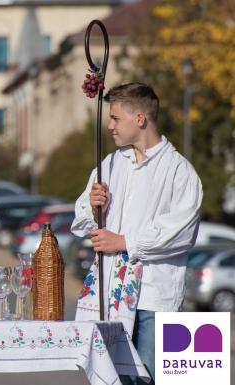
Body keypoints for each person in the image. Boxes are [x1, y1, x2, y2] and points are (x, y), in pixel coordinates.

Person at [71, 83, 202, 384]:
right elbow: (81, 219)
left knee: (151, 378)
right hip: (111, 295)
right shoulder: (111, 164)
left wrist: (124, 242)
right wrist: (93, 208)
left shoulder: (179, 171)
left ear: (140, 119)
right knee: (111, 377)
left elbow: (179, 232)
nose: (110, 125)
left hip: (155, 298)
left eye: (116, 118)